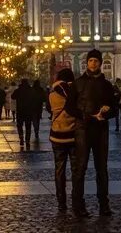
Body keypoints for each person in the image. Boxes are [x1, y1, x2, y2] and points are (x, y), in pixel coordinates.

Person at [72, 49, 118, 217]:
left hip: (100, 130)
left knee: (102, 169)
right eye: (91, 60)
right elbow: (70, 107)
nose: (93, 63)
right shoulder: (78, 83)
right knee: (80, 168)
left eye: (96, 61)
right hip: (83, 130)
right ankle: (78, 205)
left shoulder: (106, 85)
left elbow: (115, 108)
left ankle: (104, 204)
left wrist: (107, 111)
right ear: (87, 63)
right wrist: (85, 115)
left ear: (100, 63)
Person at [48, 68, 80, 212]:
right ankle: (76, 200)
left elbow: (49, 111)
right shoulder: (75, 93)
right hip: (73, 135)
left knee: (59, 170)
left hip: (57, 135)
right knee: (76, 170)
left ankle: (61, 202)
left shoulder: (52, 95)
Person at [11, 79, 33, 148]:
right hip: (28, 111)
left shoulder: (18, 90)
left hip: (20, 111)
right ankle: (27, 139)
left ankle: (21, 137)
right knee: (28, 126)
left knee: (19, 125)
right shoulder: (30, 90)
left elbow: (13, 97)